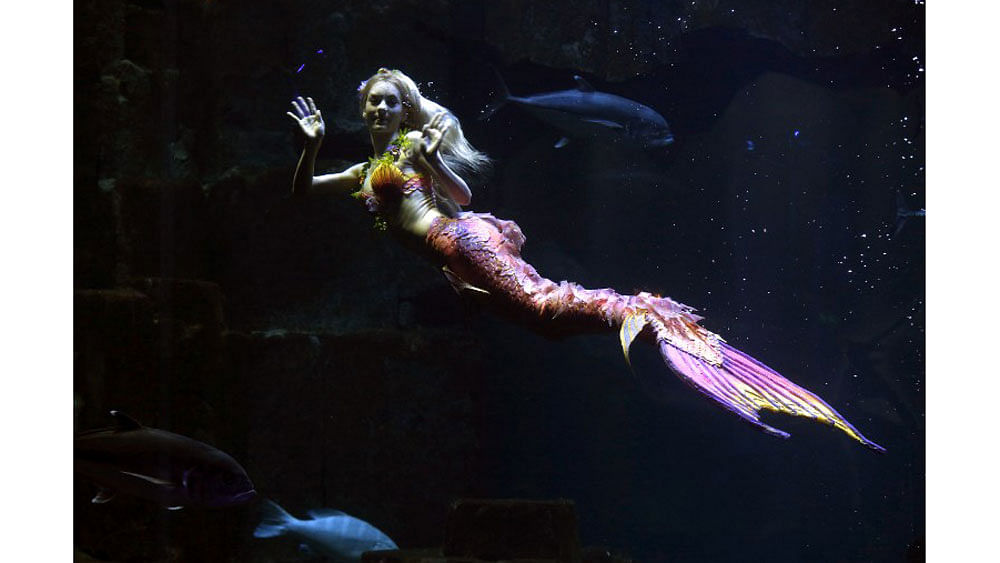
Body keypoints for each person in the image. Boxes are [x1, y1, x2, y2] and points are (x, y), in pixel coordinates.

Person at [286, 68, 884, 452]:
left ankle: (643, 314)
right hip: (456, 259)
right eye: (371, 104)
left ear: (407, 109)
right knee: (542, 326)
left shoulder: (410, 151)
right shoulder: (364, 171)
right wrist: (309, 149)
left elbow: (463, 199)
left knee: (545, 307)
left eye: (389, 103)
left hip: (465, 241)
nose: (378, 111)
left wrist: (433, 160)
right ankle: (641, 320)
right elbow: (301, 193)